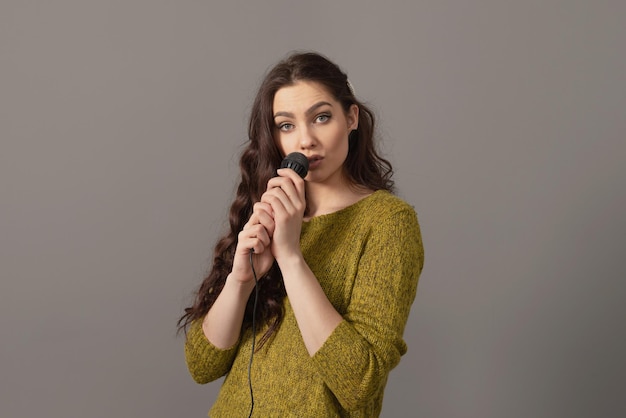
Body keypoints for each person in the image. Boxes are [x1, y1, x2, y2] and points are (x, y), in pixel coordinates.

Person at [178, 51, 424, 417]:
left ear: (351, 117)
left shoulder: (388, 222)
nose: (305, 140)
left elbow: (360, 383)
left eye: (321, 117)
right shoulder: (269, 211)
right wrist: (242, 279)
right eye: (286, 125)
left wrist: (291, 259)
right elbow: (202, 365)